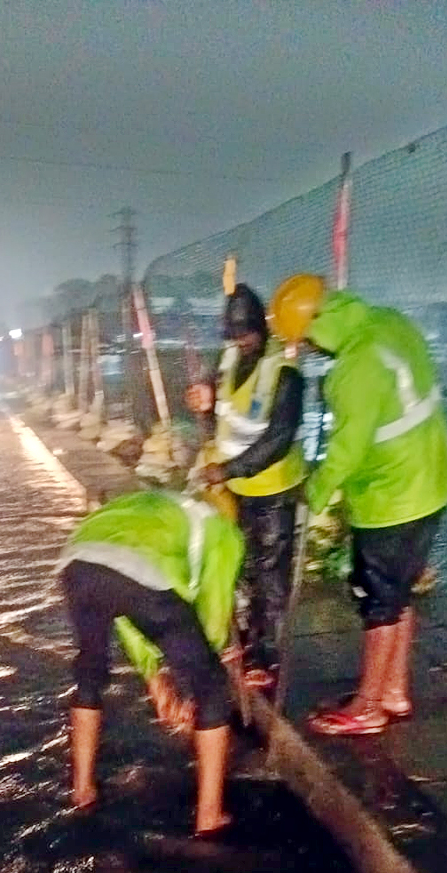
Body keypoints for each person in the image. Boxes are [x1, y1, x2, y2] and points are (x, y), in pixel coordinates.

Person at [269, 274, 447, 735]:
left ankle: (367, 707)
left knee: (378, 603)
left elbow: (346, 450)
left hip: (392, 495)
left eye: (305, 342)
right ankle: (393, 690)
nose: (308, 351)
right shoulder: (388, 322)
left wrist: (316, 491)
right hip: (429, 479)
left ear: (314, 328)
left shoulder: (354, 367)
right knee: (398, 591)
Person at [58, 489, 244, 835]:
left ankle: (82, 790)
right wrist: (202, 671)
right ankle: (210, 815)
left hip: (77, 562)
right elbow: (214, 606)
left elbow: (125, 610)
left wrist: (153, 675)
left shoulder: (158, 506)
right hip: (132, 569)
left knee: (90, 670)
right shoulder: (223, 530)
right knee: (212, 684)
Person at [188, 283, 305, 688]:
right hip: (236, 488)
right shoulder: (229, 358)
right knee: (243, 566)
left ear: (262, 328)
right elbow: (218, 393)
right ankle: (247, 641)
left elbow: (279, 438)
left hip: (273, 489)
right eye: (235, 335)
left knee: (271, 574)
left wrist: (229, 469)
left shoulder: (285, 373)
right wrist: (204, 391)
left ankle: (268, 659)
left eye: (247, 333)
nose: (241, 340)